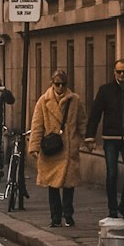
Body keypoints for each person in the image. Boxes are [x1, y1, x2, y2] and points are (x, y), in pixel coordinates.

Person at [85, 58, 124, 223]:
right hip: (110, 138)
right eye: (118, 71)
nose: (121, 74)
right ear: (114, 72)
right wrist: (90, 136)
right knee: (111, 173)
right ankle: (112, 209)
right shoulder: (105, 90)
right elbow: (95, 114)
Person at [27, 69, 87, 227]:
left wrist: (87, 139)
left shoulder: (75, 100)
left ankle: (68, 214)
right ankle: (55, 216)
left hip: (68, 147)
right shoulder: (43, 101)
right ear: (52, 83)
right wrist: (34, 146)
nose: (60, 87)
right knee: (52, 185)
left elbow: (82, 121)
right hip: (51, 148)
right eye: (57, 84)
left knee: (69, 184)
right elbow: (37, 124)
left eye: (63, 84)